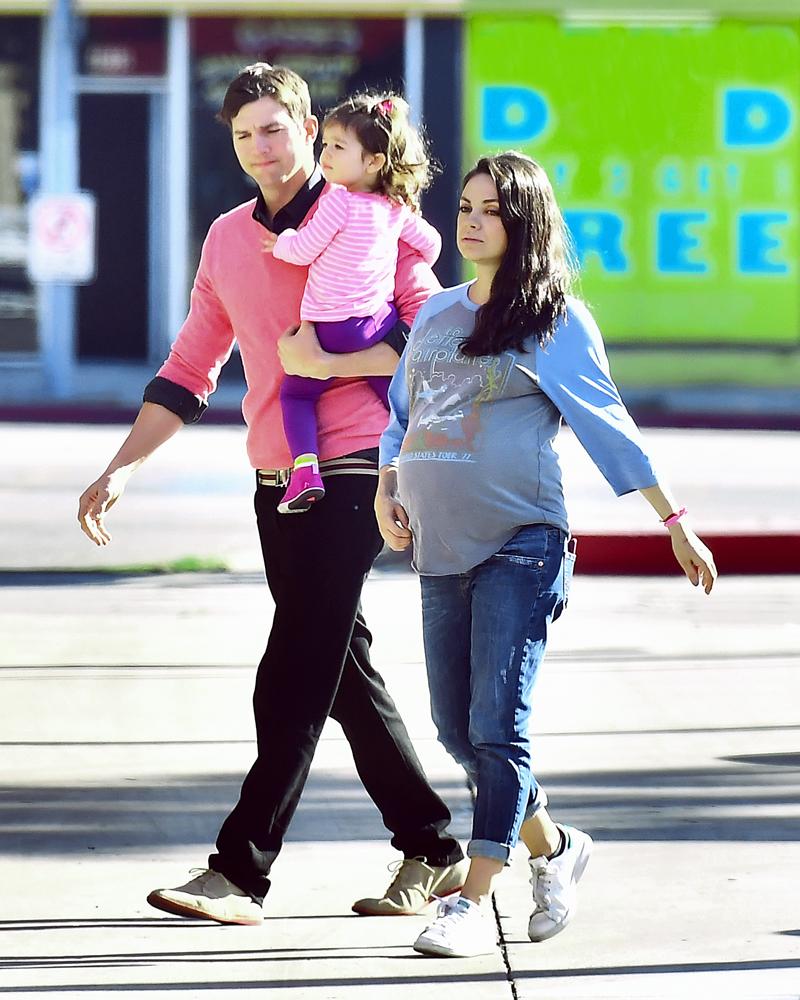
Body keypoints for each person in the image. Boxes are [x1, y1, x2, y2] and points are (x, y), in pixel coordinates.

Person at [77, 62, 467, 925]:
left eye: (277, 128)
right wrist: (124, 466)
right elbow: (191, 367)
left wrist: (330, 364)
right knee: (340, 668)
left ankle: (239, 870)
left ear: (307, 126)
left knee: (293, 663)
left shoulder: (374, 220)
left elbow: (433, 340)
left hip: (363, 465)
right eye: (245, 133)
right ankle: (433, 846)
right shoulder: (226, 240)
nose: (263, 148)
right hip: (277, 473)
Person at [375, 151, 717, 958]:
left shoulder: (554, 318)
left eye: (490, 209)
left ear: (523, 221)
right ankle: (557, 849)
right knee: (456, 729)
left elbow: (609, 424)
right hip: (440, 546)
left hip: (523, 543)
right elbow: (403, 414)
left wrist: (674, 519)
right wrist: (386, 486)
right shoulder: (436, 314)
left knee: (500, 724)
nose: (469, 220)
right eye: (465, 205)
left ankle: (471, 901)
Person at [262, 91, 442, 514]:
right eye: (324, 145)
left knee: (297, 395)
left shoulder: (336, 199)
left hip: (331, 327)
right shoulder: (394, 208)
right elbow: (431, 246)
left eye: (338, 147)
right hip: (376, 323)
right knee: (394, 396)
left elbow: (305, 249)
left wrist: (281, 242)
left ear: (374, 161)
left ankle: (305, 472)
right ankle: (423, 461)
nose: (325, 155)